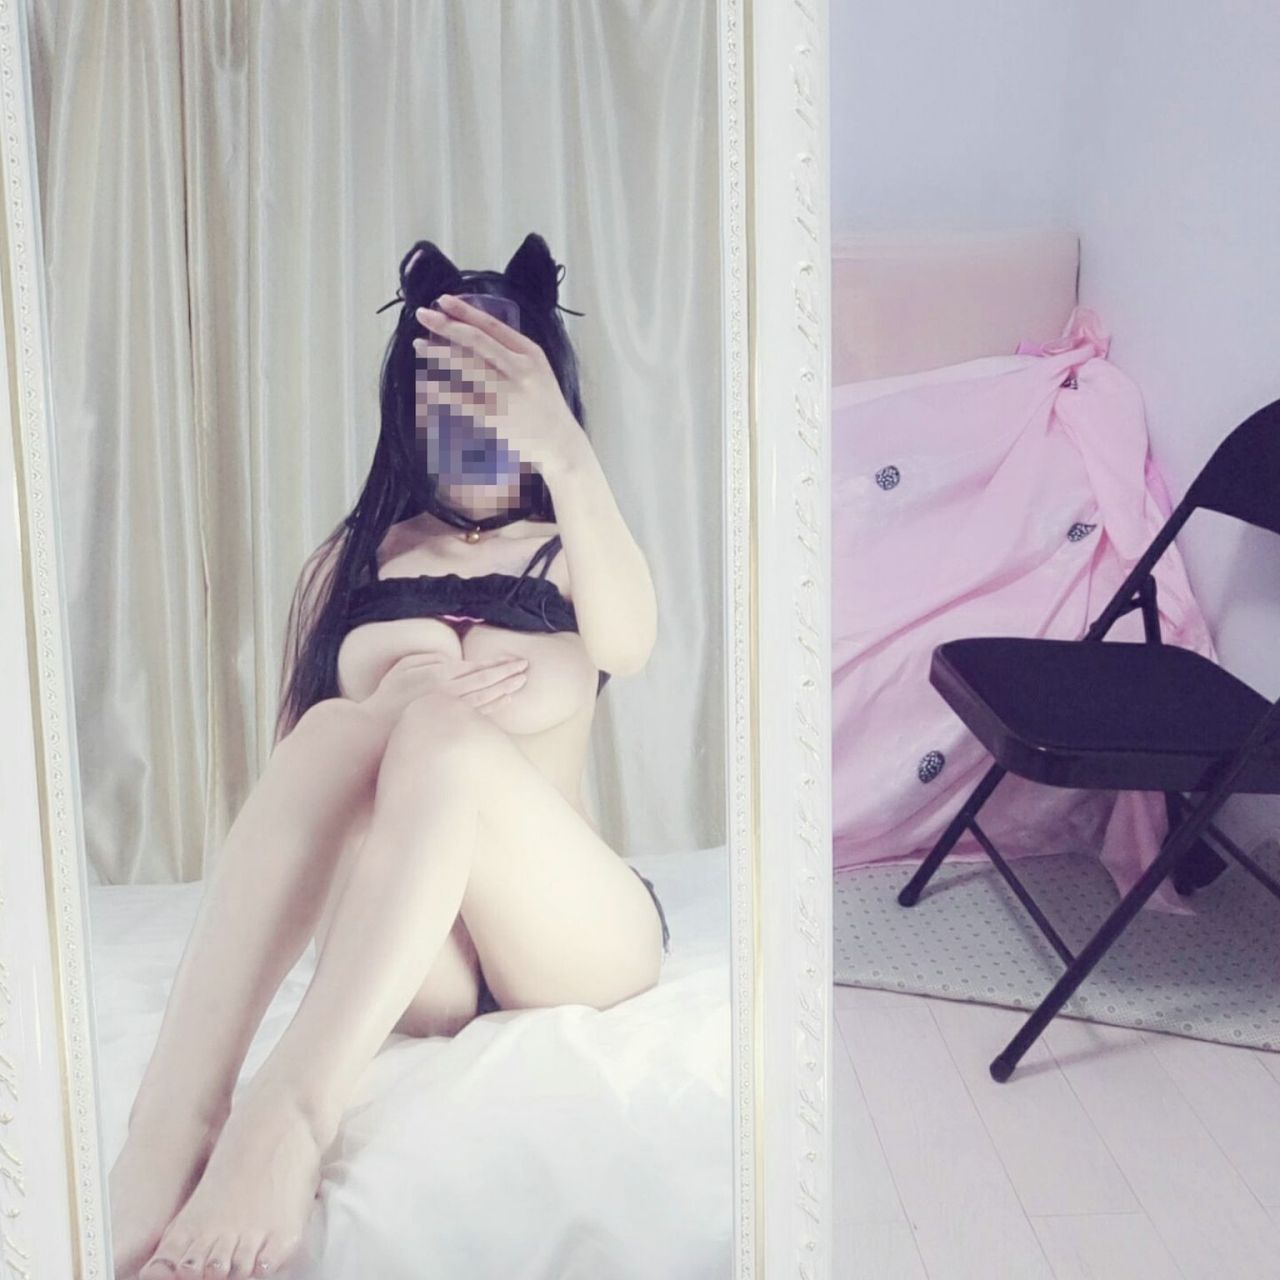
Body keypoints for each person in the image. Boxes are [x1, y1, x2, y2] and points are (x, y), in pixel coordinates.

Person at [109, 233, 667, 1280]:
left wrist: (564, 451)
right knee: (337, 730)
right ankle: (176, 1109)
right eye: (444, 392)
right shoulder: (353, 558)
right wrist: (385, 708)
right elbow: (298, 798)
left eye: (496, 390)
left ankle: (290, 1114)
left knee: (446, 733)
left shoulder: (573, 545)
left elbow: (630, 644)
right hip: (419, 955)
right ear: (406, 407)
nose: (470, 420)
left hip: (568, 930)